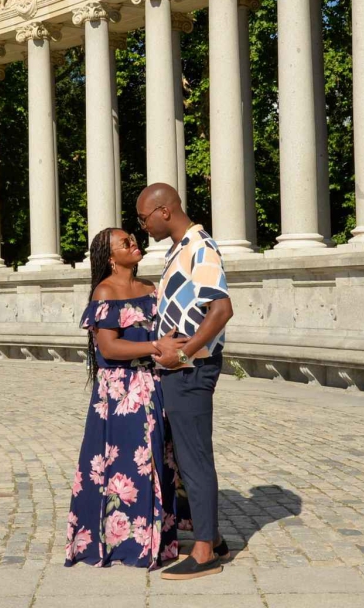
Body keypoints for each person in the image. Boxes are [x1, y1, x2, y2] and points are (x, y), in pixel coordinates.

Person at [64, 227, 186, 569]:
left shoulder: (151, 289)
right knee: (122, 466)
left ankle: (155, 539)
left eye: (134, 239)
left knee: (155, 462)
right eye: (125, 243)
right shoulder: (105, 291)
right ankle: (121, 543)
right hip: (119, 393)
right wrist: (154, 347)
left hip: (154, 384)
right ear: (110, 257)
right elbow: (108, 346)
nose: (135, 245)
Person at [136, 182, 235, 580]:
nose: (143, 226)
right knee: (184, 457)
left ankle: (206, 552)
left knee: (195, 459)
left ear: (164, 211)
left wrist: (185, 350)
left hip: (191, 370)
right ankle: (211, 537)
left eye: (144, 218)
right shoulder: (179, 250)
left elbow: (222, 308)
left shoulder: (200, 247)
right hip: (179, 370)